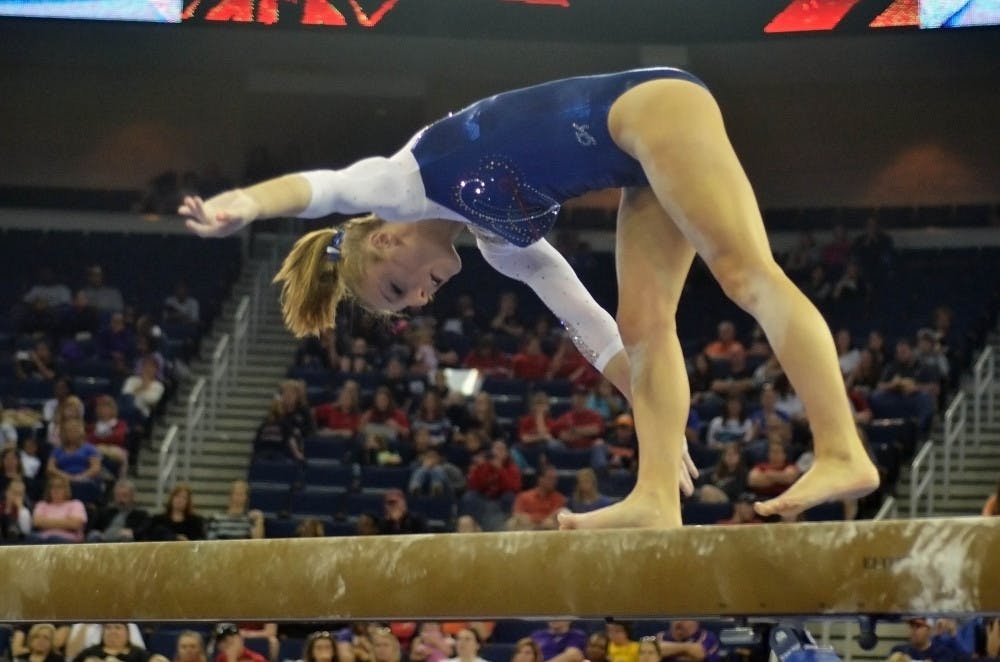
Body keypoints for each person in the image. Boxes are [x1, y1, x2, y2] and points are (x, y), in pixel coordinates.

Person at [180, 68, 878, 526]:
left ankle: (842, 449)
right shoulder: (499, 243)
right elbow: (590, 327)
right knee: (641, 326)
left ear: (385, 240)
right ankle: (656, 494)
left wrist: (242, 203)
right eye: (407, 304)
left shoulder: (403, 183)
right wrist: (653, 408)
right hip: (636, 161)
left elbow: (320, 189)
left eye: (398, 287)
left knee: (743, 274)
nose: (419, 300)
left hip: (652, 108)